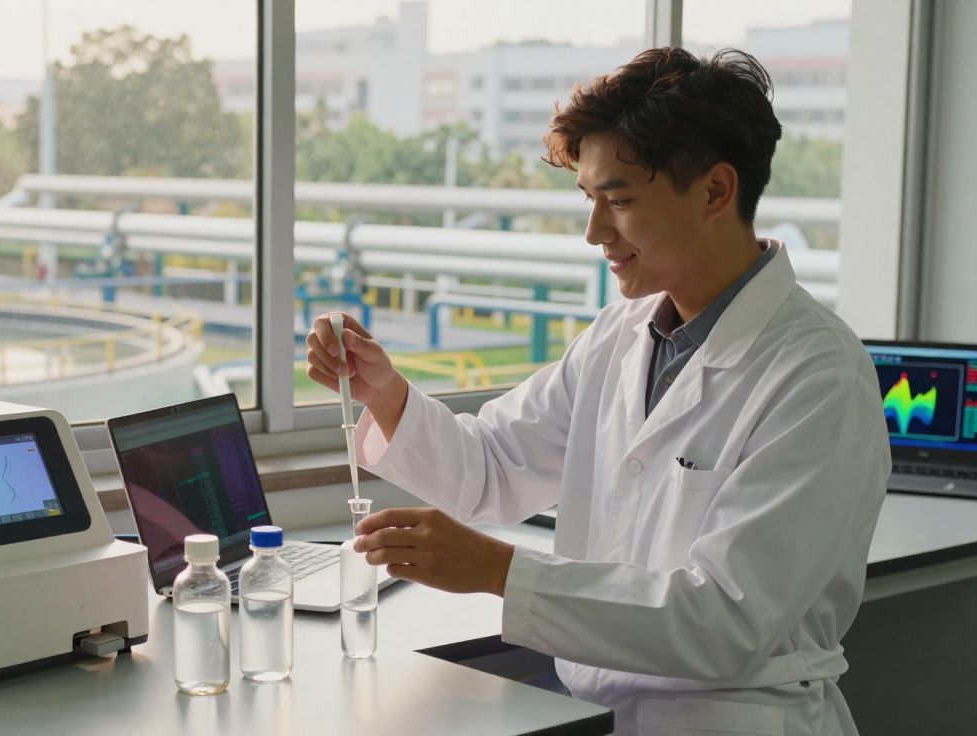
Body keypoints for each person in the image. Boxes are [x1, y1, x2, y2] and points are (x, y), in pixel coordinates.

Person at [306, 47, 889, 736]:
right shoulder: (620, 336)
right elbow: (492, 469)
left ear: (714, 192)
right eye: (590, 200)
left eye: (619, 201)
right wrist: (386, 392)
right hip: (595, 710)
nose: (594, 233)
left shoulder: (817, 376)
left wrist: (499, 570)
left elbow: (727, 620)